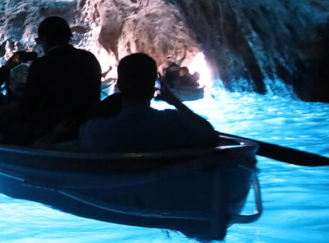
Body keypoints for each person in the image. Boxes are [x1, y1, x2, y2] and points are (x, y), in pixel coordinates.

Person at [80, 53, 218, 153]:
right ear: (154, 88)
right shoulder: (172, 123)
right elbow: (210, 135)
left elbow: (82, 131)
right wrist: (176, 102)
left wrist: (100, 108)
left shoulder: (96, 131)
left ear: (119, 86)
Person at [13, 16, 102, 145]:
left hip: (49, 131)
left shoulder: (41, 65)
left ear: (45, 39)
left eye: (39, 41)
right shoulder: (90, 58)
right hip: (85, 128)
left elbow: (29, 108)